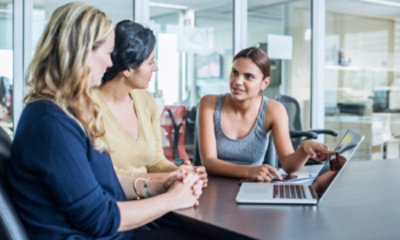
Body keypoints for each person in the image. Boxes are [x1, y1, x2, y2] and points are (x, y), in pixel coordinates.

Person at [6, 2, 203, 239]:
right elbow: (100, 219)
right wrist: (174, 199)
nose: (111, 64)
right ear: (82, 52)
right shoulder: (51, 124)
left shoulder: (66, 111)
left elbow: (101, 183)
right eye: (108, 53)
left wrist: (159, 186)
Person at [91, 20, 207, 186]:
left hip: (153, 194)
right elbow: (110, 175)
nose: (156, 68)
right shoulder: (89, 106)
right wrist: (167, 179)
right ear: (128, 69)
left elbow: (155, 161)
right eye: (150, 62)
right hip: (117, 202)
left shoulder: (145, 100)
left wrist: (179, 172)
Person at [198, 47, 335, 182]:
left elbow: (289, 166)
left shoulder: (274, 110)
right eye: (234, 73)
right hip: (213, 187)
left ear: (264, 83)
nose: (237, 81)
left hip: (252, 186)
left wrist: (303, 150)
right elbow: (209, 162)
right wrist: (249, 171)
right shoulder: (208, 104)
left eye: (249, 76)